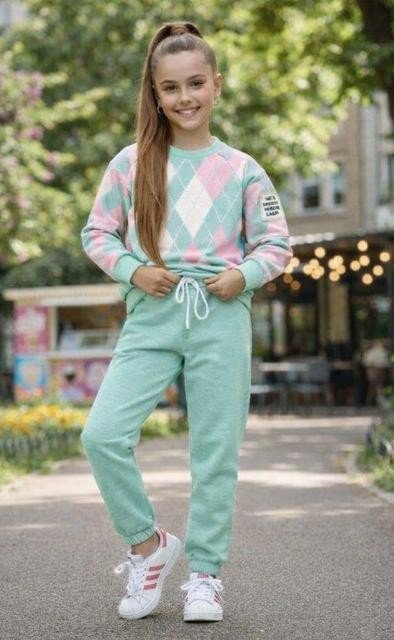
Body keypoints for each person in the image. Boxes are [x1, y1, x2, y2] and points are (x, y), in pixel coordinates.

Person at [80, 20, 293, 623]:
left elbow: (276, 242)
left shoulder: (243, 168)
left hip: (220, 315)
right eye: (170, 87)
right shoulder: (131, 164)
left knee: (214, 452)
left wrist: (244, 276)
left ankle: (204, 575)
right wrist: (133, 270)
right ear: (155, 93)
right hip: (152, 314)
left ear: (216, 85)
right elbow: (97, 232)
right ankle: (148, 547)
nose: (185, 97)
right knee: (101, 435)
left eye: (196, 83)